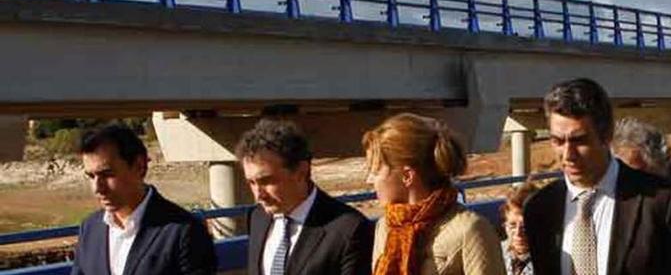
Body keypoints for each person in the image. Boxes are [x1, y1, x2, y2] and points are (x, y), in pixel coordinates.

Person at [523, 78, 671, 275]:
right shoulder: (539, 208)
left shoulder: (662, 201)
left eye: (580, 141)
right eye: (558, 141)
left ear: (607, 135)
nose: (568, 154)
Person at [363, 112, 505, 275]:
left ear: (407, 176)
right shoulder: (385, 226)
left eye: (375, 171)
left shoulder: (470, 230)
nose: (370, 180)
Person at [71, 123, 216, 275]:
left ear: (139, 166)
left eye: (107, 174)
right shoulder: (89, 228)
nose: (97, 188)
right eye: (91, 176)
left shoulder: (185, 232)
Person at [237, 119, 372, 275]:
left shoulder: (349, 230)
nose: (258, 195)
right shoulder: (257, 218)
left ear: (300, 172)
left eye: (266, 181)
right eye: (251, 183)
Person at [499, 180, 538, 275]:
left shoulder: (553, 261)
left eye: (525, 227)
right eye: (512, 225)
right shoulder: (495, 252)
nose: (518, 234)